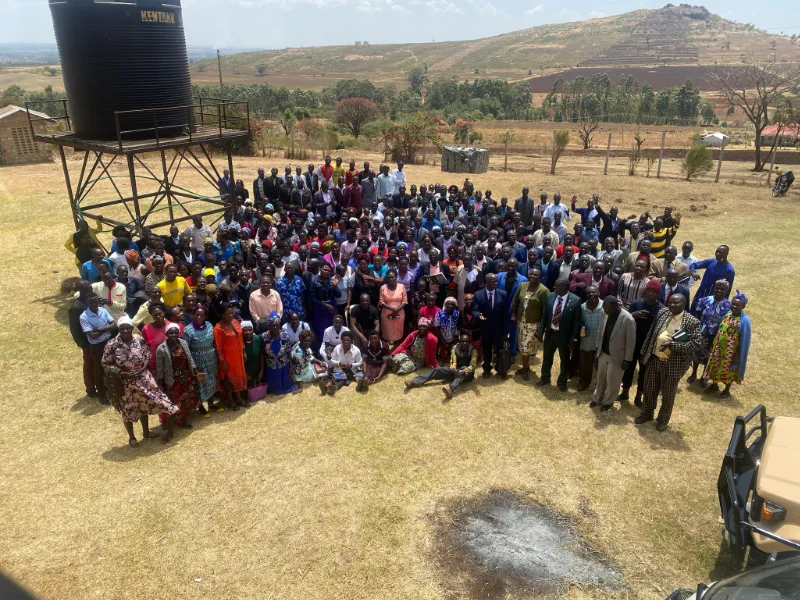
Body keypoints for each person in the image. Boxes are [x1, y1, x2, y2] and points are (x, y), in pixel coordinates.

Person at [102, 316, 178, 447]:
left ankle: (146, 432)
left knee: (146, 404)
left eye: (128, 328)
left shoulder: (139, 339)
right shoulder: (112, 344)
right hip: (125, 383)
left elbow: (147, 354)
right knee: (128, 409)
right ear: (119, 329)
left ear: (132, 328)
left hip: (143, 378)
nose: (125, 330)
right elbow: (106, 363)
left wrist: (143, 367)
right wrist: (122, 373)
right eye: (122, 328)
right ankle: (132, 437)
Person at [635, 294, 702, 431]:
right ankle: (647, 414)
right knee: (649, 389)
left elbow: (696, 344)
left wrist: (673, 346)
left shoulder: (691, 322)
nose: (671, 305)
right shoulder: (663, 312)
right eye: (670, 302)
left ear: (683, 304)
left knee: (668, 394)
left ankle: (662, 420)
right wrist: (644, 353)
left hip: (673, 364)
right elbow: (652, 334)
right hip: (654, 358)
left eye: (675, 303)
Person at [618, 279, 663, 406]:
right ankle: (625, 392)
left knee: (644, 372)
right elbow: (626, 320)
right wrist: (633, 315)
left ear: (657, 294)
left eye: (653, 292)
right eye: (648, 291)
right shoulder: (637, 303)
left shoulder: (661, 309)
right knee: (628, 369)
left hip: (648, 346)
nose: (650, 294)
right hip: (633, 343)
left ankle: (639, 397)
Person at [589, 296, 635, 410]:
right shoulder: (604, 313)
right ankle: (597, 398)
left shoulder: (628, 319)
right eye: (604, 308)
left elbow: (631, 341)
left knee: (613, 380)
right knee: (600, 378)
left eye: (608, 309)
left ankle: (608, 402)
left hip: (617, 356)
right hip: (603, 352)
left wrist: (627, 359)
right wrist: (597, 348)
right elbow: (600, 331)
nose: (605, 311)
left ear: (615, 307)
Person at [537, 278, 582, 392]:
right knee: (547, 357)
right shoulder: (550, 297)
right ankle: (545, 378)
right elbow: (544, 316)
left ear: (565, 287)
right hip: (551, 333)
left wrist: (574, 339)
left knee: (564, 360)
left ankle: (562, 382)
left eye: (557, 286)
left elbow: (577, 322)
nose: (554, 288)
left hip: (565, 336)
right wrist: (540, 331)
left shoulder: (575, 300)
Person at [703, 290, 751, 398]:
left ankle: (726, 390)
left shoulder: (744, 320)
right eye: (733, 303)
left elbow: (745, 340)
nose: (734, 306)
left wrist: (737, 355)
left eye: (737, 305)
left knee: (729, 370)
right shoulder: (728, 314)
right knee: (715, 366)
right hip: (719, 347)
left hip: (731, 351)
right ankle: (714, 385)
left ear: (743, 306)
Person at [155, 322, 201, 429]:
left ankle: (184, 420)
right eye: (171, 333)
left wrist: (195, 371)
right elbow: (160, 368)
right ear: (166, 334)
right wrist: (161, 384)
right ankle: (170, 427)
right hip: (172, 380)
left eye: (176, 333)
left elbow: (189, 358)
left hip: (187, 377)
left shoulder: (183, 343)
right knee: (174, 403)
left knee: (187, 400)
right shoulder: (161, 348)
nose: (174, 335)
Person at [405, 333, 477, 400]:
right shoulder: (455, 348)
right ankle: (414, 382)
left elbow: (473, 365)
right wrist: (453, 369)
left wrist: (463, 371)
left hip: (467, 374)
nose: (465, 343)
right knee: (437, 370)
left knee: (463, 368)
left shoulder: (473, 351)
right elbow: (453, 360)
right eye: (463, 341)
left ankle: (451, 390)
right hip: (455, 371)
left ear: (469, 342)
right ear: (459, 341)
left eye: (467, 342)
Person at [688, 280, 732, 385]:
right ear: (714, 288)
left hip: (716, 336)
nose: (719, 290)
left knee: (709, 357)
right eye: (717, 288)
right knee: (697, 354)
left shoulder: (728, 306)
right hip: (702, 333)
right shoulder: (704, 300)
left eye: (722, 289)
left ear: (726, 290)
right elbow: (698, 315)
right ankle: (694, 373)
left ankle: (704, 376)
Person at [510, 267, 549, 381]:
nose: (532, 277)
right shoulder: (523, 285)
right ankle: (526, 367)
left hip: (533, 323)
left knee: (527, 347)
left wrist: (542, 328)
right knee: (522, 346)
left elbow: (545, 310)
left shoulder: (543, 290)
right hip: (521, 321)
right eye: (531, 274)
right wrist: (513, 314)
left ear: (539, 277)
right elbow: (515, 300)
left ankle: (525, 369)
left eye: (535, 275)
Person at [80, 292, 116, 404]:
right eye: (91, 302)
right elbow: (92, 335)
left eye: (95, 301)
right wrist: (106, 328)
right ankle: (102, 395)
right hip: (96, 346)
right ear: (87, 303)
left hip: (108, 343)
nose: (94, 304)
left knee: (111, 367)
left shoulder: (103, 310)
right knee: (99, 370)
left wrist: (98, 329)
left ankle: (112, 391)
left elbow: (114, 324)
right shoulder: (84, 317)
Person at [182, 306, 218, 414]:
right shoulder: (188, 330)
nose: (198, 317)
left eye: (201, 315)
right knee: (200, 384)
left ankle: (211, 404)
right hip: (198, 362)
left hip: (211, 359)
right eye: (196, 314)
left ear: (205, 316)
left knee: (211, 381)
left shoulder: (209, 325)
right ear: (193, 315)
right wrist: (192, 365)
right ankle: (202, 407)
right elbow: (186, 349)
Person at [213, 304, 248, 410]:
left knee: (238, 377)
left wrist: (244, 352)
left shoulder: (236, 322)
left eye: (231, 313)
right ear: (221, 315)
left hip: (238, 357)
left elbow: (240, 339)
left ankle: (238, 398)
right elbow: (218, 346)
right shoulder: (218, 328)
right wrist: (222, 361)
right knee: (228, 380)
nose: (230, 315)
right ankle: (230, 401)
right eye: (227, 314)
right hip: (227, 359)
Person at [472, 273, 507, 378]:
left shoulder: (503, 294)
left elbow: (505, 314)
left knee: (500, 350)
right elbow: (475, 310)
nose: (496, 283)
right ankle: (487, 369)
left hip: (498, 329)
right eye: (493, 281)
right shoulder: (478, 294)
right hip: (485, 328)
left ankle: (501, 369)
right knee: (486, 350)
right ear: (486, 282)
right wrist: (478, 316)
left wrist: (505, 331)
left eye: (497, 281)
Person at [70, 281, 98, 398]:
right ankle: (90, 389)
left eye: (90, 285)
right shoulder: (76, 307)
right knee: (89, 365)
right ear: (81, 290)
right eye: (87, 286)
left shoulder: (93, 299)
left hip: (99, 339)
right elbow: (75, 329)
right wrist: (83, 344)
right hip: (87, 342)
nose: (90, 286)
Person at [689, 245, 735, 313]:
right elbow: (693, 265)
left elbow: (728, 289)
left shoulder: (729, 270)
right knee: (693, 312)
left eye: (720, 252)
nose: (717, 254)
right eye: (717, 251)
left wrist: (722, 304)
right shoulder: (711, 261)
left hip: (713, 298)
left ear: (727, 254)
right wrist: (693, 272)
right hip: (701, 293)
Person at [576, 285, 603, 391]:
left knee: (600, 366)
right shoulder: (582, 307)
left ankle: (600, 386)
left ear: (599, 293)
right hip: (586, 341)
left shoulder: (605, 306)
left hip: (600, 342)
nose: (591, 295)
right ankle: (584, 382)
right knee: (585, 364)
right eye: (588, 293)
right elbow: (578, 322)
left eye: (593, 292)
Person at [261, 312, 295, 395]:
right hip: (271, 367)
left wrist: (290, 367)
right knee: (272, 388)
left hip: (284, 365)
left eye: (277, 325)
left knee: (286, 385)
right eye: (273, 325)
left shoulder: (285, 335)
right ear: (269, 326)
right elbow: (261, 354)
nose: (275, 327)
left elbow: (288, 351)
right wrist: (262, 370)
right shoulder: (264, 337)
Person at [378, 269, 407, 345]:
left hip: (399, 313)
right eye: (389, 278)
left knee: (398, 333)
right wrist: (392, 309)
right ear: (387, 278)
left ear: (396, 277)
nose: (391, 279)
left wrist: (397, 309)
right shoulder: (383, 287)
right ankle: (387, 350)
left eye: (392, 277)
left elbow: (405, 301)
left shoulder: (402, 287)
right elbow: (381, 302)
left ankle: (397, 348)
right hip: (386, 314)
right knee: (388, 334)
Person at [241, 320, 264, 394]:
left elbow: (261, 355)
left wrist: (261, 371)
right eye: (245, 330)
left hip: (257, 371)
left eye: (250, 330)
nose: (248, 332)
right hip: (245, 373)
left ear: (253, 330)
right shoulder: (240, 342)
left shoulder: (258, 339)